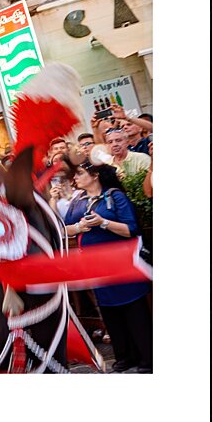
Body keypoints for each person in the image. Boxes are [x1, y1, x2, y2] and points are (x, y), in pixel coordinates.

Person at [64, 160, 152, 373]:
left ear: (95, 175)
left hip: (123, 266)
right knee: (110, 314)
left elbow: (131, 229)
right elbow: (64, 229)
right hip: (97, 268)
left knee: (134, 312)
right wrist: (79, 226)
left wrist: (103, 222)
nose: (75, 178)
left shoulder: (115, 196)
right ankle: (123, 357)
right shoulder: (77, 201)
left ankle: (147, 359)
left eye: (80, 173)